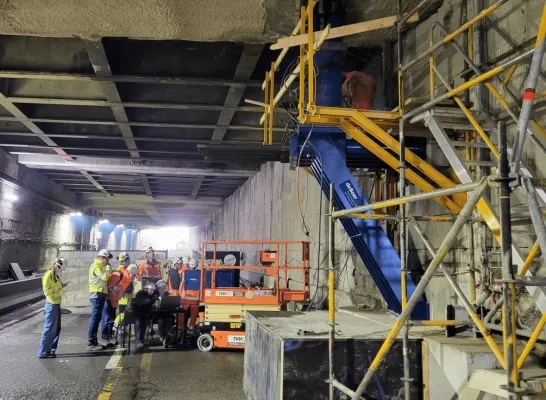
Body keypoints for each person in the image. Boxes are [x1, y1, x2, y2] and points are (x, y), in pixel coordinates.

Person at [38, 259, 68, 359]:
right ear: (57, 266)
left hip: (56, 305)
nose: (60, 270)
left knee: (56, 329)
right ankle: (43, 352)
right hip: (51, 305)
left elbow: (56, 286)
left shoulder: (55, 275)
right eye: (60, 268)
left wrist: (62, 285)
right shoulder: (48, 275)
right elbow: (47, 292)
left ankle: (50, 349)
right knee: (49, 329)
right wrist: (58, 286)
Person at [87, 249, 112, 351]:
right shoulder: (96, 267)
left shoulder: (100, 267)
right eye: (106, 259)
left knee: (97, 319)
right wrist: (108, 269)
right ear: (102, 258)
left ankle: (94, 341)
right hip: (96, 295)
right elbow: (105, 277)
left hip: (100, 294)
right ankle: (91, 342)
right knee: (95, 319)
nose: (107, 261)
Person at [130, 281, 158, 349]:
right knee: (139, 324)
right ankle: (138, 341)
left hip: (145, 314)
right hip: (138, 314)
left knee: (143, 326)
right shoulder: (141, 294)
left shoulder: (151, 295)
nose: (152, 292)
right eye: (151, 290)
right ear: (147, 289)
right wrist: (152, 301)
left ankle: (141, 340)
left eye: (153, 290)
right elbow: (145, 302)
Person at [113, 265, 138, 338]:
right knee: (123, 314)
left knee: (125, 314)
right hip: (123, 299)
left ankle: (121, 327)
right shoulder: (125, 278)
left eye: (135, 275)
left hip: (127, 298)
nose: (134, 277)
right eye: (133, 275)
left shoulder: (128, 278)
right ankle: (116, 326)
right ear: (130, 272)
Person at [155, 280, 175, 345]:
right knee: (160, 322)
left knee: (169, 321)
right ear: (158, 288)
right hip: (158, 315)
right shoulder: (155, 295)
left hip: (167, 314)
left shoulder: (168, 294)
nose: (162, 289)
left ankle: (168, 337)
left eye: (164, 287)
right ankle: (162, 336)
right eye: (161, 288)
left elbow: (172, 304)